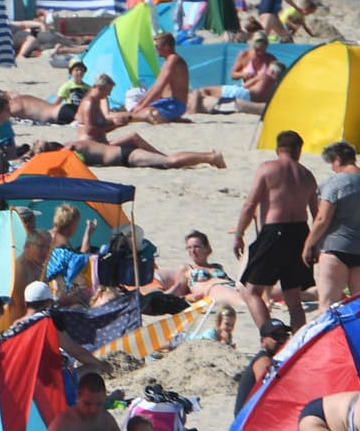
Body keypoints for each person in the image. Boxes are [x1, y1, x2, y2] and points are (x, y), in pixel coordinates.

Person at [232, 129, 315, 329]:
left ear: (278, 149)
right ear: (298, 149)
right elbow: (317, 212)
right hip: (300, 233)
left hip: (274, 232)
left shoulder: (267, 169)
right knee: (293, 298)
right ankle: (297, 342)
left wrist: (239, 233)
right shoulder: (307, 175)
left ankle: (269, 337)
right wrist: (314, 243)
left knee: (251, 292)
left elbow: (250, 204)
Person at [303, 140, 360, 305]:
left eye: (331, 163)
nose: (333, 168)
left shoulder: (335, 183)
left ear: (337, 159)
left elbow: (322, 219)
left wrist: (308, 245)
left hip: (337, 247)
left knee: (328, 306)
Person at [72, 85, 225, 170]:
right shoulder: (75, 144)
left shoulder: (73, 147)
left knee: (169, 161)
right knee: (167, 160)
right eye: (108, 90)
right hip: (119, 154)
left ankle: (210, 157)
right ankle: (209, 156)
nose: (109, 94)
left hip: (123, 155)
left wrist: (113, 125)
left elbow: (92, 130)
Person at [233, 319, 292, 414]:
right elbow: (268, 390)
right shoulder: (263, 361)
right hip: (248, 421)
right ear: (263, 341)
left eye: (284, 335)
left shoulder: (276, 359)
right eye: (276, 336)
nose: (281, 340)